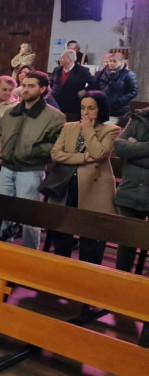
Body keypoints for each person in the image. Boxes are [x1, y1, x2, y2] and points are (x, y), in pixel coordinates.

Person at [47, 91, 120, 265]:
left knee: (89, 238)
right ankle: (61, 271)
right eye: (82, 108)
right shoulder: (69, 127)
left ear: (101, 110)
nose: (85, 113)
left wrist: (88, 130)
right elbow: (56, 154)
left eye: (91, 108)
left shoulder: (111, 129)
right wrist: (84, 158)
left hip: (92, 188)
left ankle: (87, 278)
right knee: (62, 232)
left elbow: (99, 153)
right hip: (67, 184)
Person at [0, 71, 65, 250]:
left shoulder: (54, 116)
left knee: (30, 218)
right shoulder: (10, 112)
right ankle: (3, 251)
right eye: (24, 85)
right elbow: (1, 136)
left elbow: (57, 145)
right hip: (7, 167)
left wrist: (32, 151)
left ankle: (30, 256)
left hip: (31, 169)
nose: (25, 89)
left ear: (42, 89)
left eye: (31, 86)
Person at [113, 105, 149, 272]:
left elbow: (129, 151)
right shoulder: (140, 118)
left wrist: (135, 150)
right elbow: (120, 147)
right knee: (126, 245)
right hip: (131, 190)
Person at [50, 50, 95, 122]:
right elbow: (52, 82)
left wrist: (85, 91)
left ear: (70, 59)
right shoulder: (57, 70)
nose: (60, 60)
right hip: (56, 104)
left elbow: (94, 83)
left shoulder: (82, 71)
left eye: (62, 58)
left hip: (72, 106)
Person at [95, 53, 138, 122]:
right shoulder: (101, 73)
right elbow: (95, 86)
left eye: (114, 61)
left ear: (121, 62)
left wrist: (119, 101)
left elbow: (133, 91)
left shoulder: (128, 74)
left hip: (119, 109)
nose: (111, 63)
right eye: (110, 61)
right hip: (102, 106)